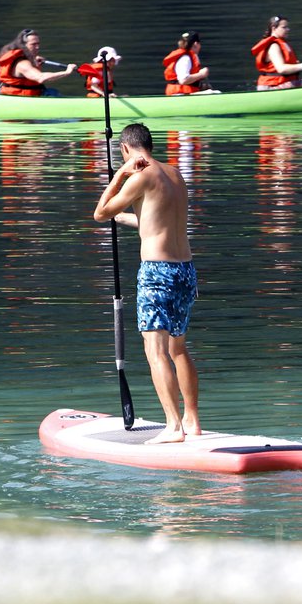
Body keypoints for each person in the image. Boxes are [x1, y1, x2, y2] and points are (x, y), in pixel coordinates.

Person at [93, 123, 201, 445]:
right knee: (178, 349)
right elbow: (154, 221)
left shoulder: (139, 177)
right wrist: (123, 218)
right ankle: (191, 420)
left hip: (157, 272)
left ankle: (173, 427)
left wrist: (120, 175)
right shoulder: (175, 175)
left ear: (125, 149)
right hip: (186, 270)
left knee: (155, 352)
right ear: (150, 146)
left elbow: (99, 212)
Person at [0, 29, 78, 97]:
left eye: (38, 44)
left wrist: (34, 62)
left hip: (29, 95)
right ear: (23, 45)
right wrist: (66, 72)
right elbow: (41, 77)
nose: (37, 47)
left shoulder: (28, 60)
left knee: (53, 92)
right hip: (19, 97)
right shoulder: (22, 64)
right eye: (33, 44)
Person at [251, 17, 302, 90]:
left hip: (279, 83)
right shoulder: (273, 46)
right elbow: (281, 69)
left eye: (287, 27)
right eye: (284, 27)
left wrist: (301, 66)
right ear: (274, 28)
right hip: (270, 87)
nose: (288, 29)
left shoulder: (280, 43)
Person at [162, 31, 220, 96]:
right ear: (195, 44)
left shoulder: (186, 56)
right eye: (199, 43)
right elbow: (183, 80)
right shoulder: (185, 58)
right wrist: (201, 74)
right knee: (216, 93)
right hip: (179, 94)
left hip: (181, 93)